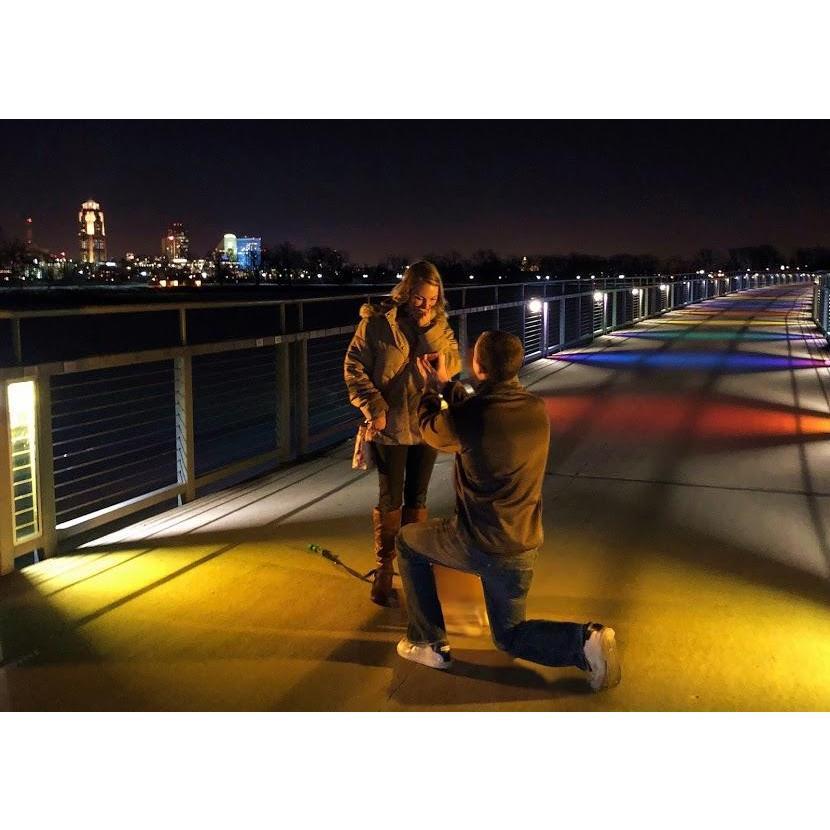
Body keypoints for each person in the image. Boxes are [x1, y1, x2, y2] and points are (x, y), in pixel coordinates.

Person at [394, 330, 621, 691]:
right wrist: (448, 384)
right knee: (510, 635)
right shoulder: (535, 408)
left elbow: (432, 430)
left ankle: (427, 642)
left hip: (478, 543)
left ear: (477, 365)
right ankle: (584, 641)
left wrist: (428, 389)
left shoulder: (471, 417)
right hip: (523, 545)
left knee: (407, 542)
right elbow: (478, 413)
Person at [344, 260, 461, 607]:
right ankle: (384, 568)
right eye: (419, 298)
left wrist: (427, 332)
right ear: (407, 292)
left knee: (418, 499)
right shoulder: (376, 324)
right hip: (389, 426)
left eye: (431, 300)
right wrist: (374, 409)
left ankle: (415, 566)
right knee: (389, 498)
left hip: (425, 424)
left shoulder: (440, 326)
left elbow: (453, 365)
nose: (425, 306)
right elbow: (354, 367)